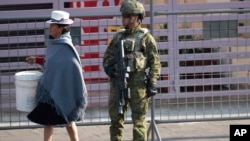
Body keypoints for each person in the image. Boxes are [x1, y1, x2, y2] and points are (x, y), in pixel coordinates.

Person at [103, 0, 161, 140]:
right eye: (122, 15)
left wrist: (152, 81)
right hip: (118, 83)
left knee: (139, 122)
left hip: (138, 83)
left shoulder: (146, 38)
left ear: (135, 17)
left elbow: (155, 62)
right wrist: (110, 69)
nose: (122, 18)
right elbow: (107, 59)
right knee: (116, 121)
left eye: (126, 15)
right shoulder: (118, 37)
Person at [26, 10, 87, 141]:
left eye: (53, 25)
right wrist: (37, 60)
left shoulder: (67, 47)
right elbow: (51, 63)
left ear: (60, 28)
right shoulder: (53, 44)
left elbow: (72, 68)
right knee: (47, 121)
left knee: (69, 121)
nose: (50, 28)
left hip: (64, 91)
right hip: (49, 90)